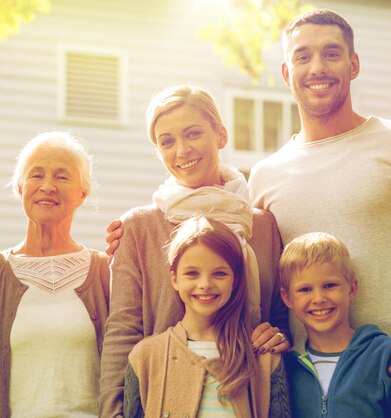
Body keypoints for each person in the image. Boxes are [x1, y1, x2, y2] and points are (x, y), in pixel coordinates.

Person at [247, 9, 391, 417]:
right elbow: (255, 276)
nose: (317, 67)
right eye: (303, 57)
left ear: (353, 64)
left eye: (332, 54)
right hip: (300, 389)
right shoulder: (265, 174)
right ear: (287, 73)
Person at [100, 85, 289, 417]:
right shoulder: (139, 227)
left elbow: (281, 316)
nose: (182, 150)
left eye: (193, 134)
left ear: (220, 135)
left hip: (245, 398)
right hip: (163, 399)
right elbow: (122, 331)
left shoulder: (262, 226)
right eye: (167, 141)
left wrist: (277, 336)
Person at [0, 131, 110, 417]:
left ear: (82, 193)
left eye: (61, 176)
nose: (47, 186)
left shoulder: (106, 272)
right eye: (36, 175)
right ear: (20, 188)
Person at [124, 216, 290, 417]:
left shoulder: (265, 359)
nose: (205, 284)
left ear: (235, 280)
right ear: (174, 279)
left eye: (219, 274)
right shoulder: (145, 358)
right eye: (192, 274)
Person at [279, 232, 391, 417]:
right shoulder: (288, 367)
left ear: (352, 288)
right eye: (305, 289)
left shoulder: (388, 356)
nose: (318, 299)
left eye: (330, 285)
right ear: (287, 298)